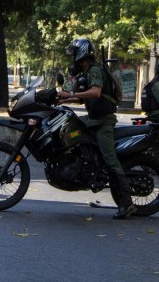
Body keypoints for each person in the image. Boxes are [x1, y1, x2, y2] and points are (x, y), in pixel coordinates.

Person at [57, 38, 136, 220]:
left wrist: (70, 94)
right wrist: (63, 100)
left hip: (103, 122)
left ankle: (127, 203)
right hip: (93, 119)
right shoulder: (87, 73)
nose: (73, 59)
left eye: (74, 54)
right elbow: (83, 98)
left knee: (110, 159)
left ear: (82, 54)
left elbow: (96, 93)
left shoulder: (95, 71)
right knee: (69, 127)